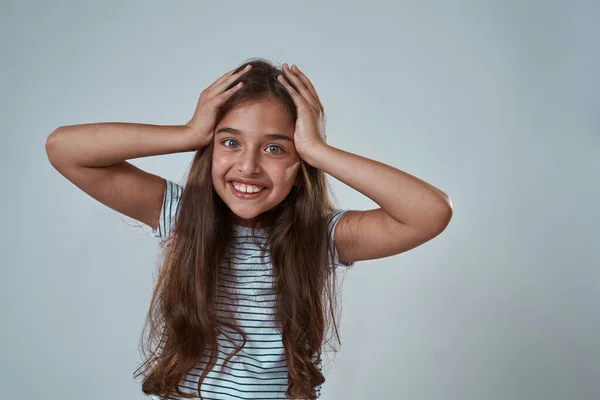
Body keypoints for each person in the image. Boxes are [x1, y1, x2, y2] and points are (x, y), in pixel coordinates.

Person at [45, 58, 453, 400]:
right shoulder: (182, 214)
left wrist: (319, 150)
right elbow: (64, 148)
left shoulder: (320, 236)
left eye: (275, 148)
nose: (249, 166)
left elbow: (429, 212)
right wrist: (188, 134)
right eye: (230, 142)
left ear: (301, 165)